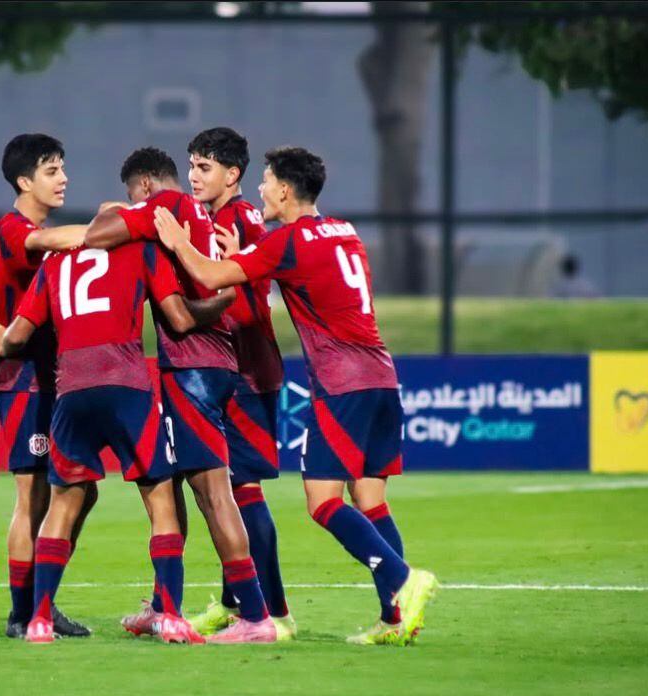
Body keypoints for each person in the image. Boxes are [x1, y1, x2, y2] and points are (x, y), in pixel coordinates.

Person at [151, 146, 438, 645]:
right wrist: (245, 250)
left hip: (341, 385)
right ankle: (396, 619)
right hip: (381, 376)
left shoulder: (290, 241)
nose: (261, 190)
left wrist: (178, 241)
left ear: (285, 190)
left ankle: (404, 579)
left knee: (322, 501)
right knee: (369, 498)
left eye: (265, 182)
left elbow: (212, 276)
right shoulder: (344, 232)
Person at [0, 228, 235, 644]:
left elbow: (17, 333)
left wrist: (2, 343)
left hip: (71, 392)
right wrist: (226, 294)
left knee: (63, 505)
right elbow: (178, 314)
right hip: (128, 390)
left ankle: (39, 620)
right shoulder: (139, 252)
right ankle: (171, 616)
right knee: (160, 500)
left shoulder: (54, 263)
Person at [85, 147, 277, 644]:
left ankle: (256, 616)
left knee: (215, 495)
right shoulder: (200, 214)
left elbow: (96, 238)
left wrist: (126, 216)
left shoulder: (162, 209)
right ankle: (162, 603)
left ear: (146, 187)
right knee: (174, 488)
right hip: (219, 363)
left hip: (190, 368)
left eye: (134, 196)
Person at [182, 127, 294, 638]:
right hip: (236, 371)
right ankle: (235, 601)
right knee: (221, 487)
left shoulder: (239, 219)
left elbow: (251, 304)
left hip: (247, 372)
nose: (193, 176)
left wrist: (224, 271)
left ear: (233, 175)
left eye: (204, 167)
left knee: (240, 490)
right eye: (191, 165)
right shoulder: (220, 218)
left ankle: (272, 612)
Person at [0, 133, 96, 639]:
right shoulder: (13, 229)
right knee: (32, 497)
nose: (64, 178)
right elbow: (48, 242)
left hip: (45, 377)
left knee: (81, 491)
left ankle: (41, 603)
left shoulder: (31, 229)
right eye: (52, 171)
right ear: (24, 181)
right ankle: (22, 612)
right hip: (24, 378)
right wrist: (117, 226)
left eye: (63, 168)